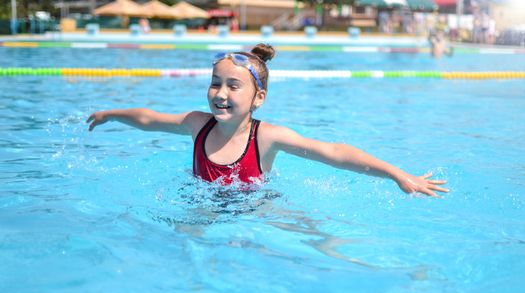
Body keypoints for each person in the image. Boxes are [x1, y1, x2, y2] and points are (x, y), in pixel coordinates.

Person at [87, 44, 448, 197]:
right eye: (215, 84)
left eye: (233, 86)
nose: (221, 94)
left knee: (311, 235)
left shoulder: (266, 138)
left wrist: (397, 173)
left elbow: (333, 153)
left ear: (259, 98)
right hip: (201, 202)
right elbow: (150, 119)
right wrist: (111, 115)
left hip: (256, 206)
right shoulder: (198, 124)